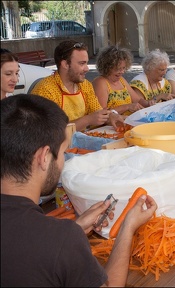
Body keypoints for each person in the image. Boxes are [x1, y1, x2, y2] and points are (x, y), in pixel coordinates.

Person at [1, 94, 158, 286]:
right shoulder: (60, 240)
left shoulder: (57, 238)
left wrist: (73, 230)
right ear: (43, 157)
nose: (63, 162)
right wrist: (127, 228)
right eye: (63, 152)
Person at [31, 40, 123, 132]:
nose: (87, 69)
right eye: (82, 63)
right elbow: (52, 130)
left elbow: (97, 111)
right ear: (65, 64)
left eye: (86, 63)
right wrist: (88, 120)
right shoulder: (45, 89)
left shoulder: (85, 85)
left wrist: (111, 116)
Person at [92, 45, 149, 116]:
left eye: (124, 68)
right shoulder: (100, 82)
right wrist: (127, 107)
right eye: (118, 69)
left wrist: (149, 103)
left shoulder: (121, 80)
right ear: (107, 67)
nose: (122, 72)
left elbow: (138, 100)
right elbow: (102, 113)